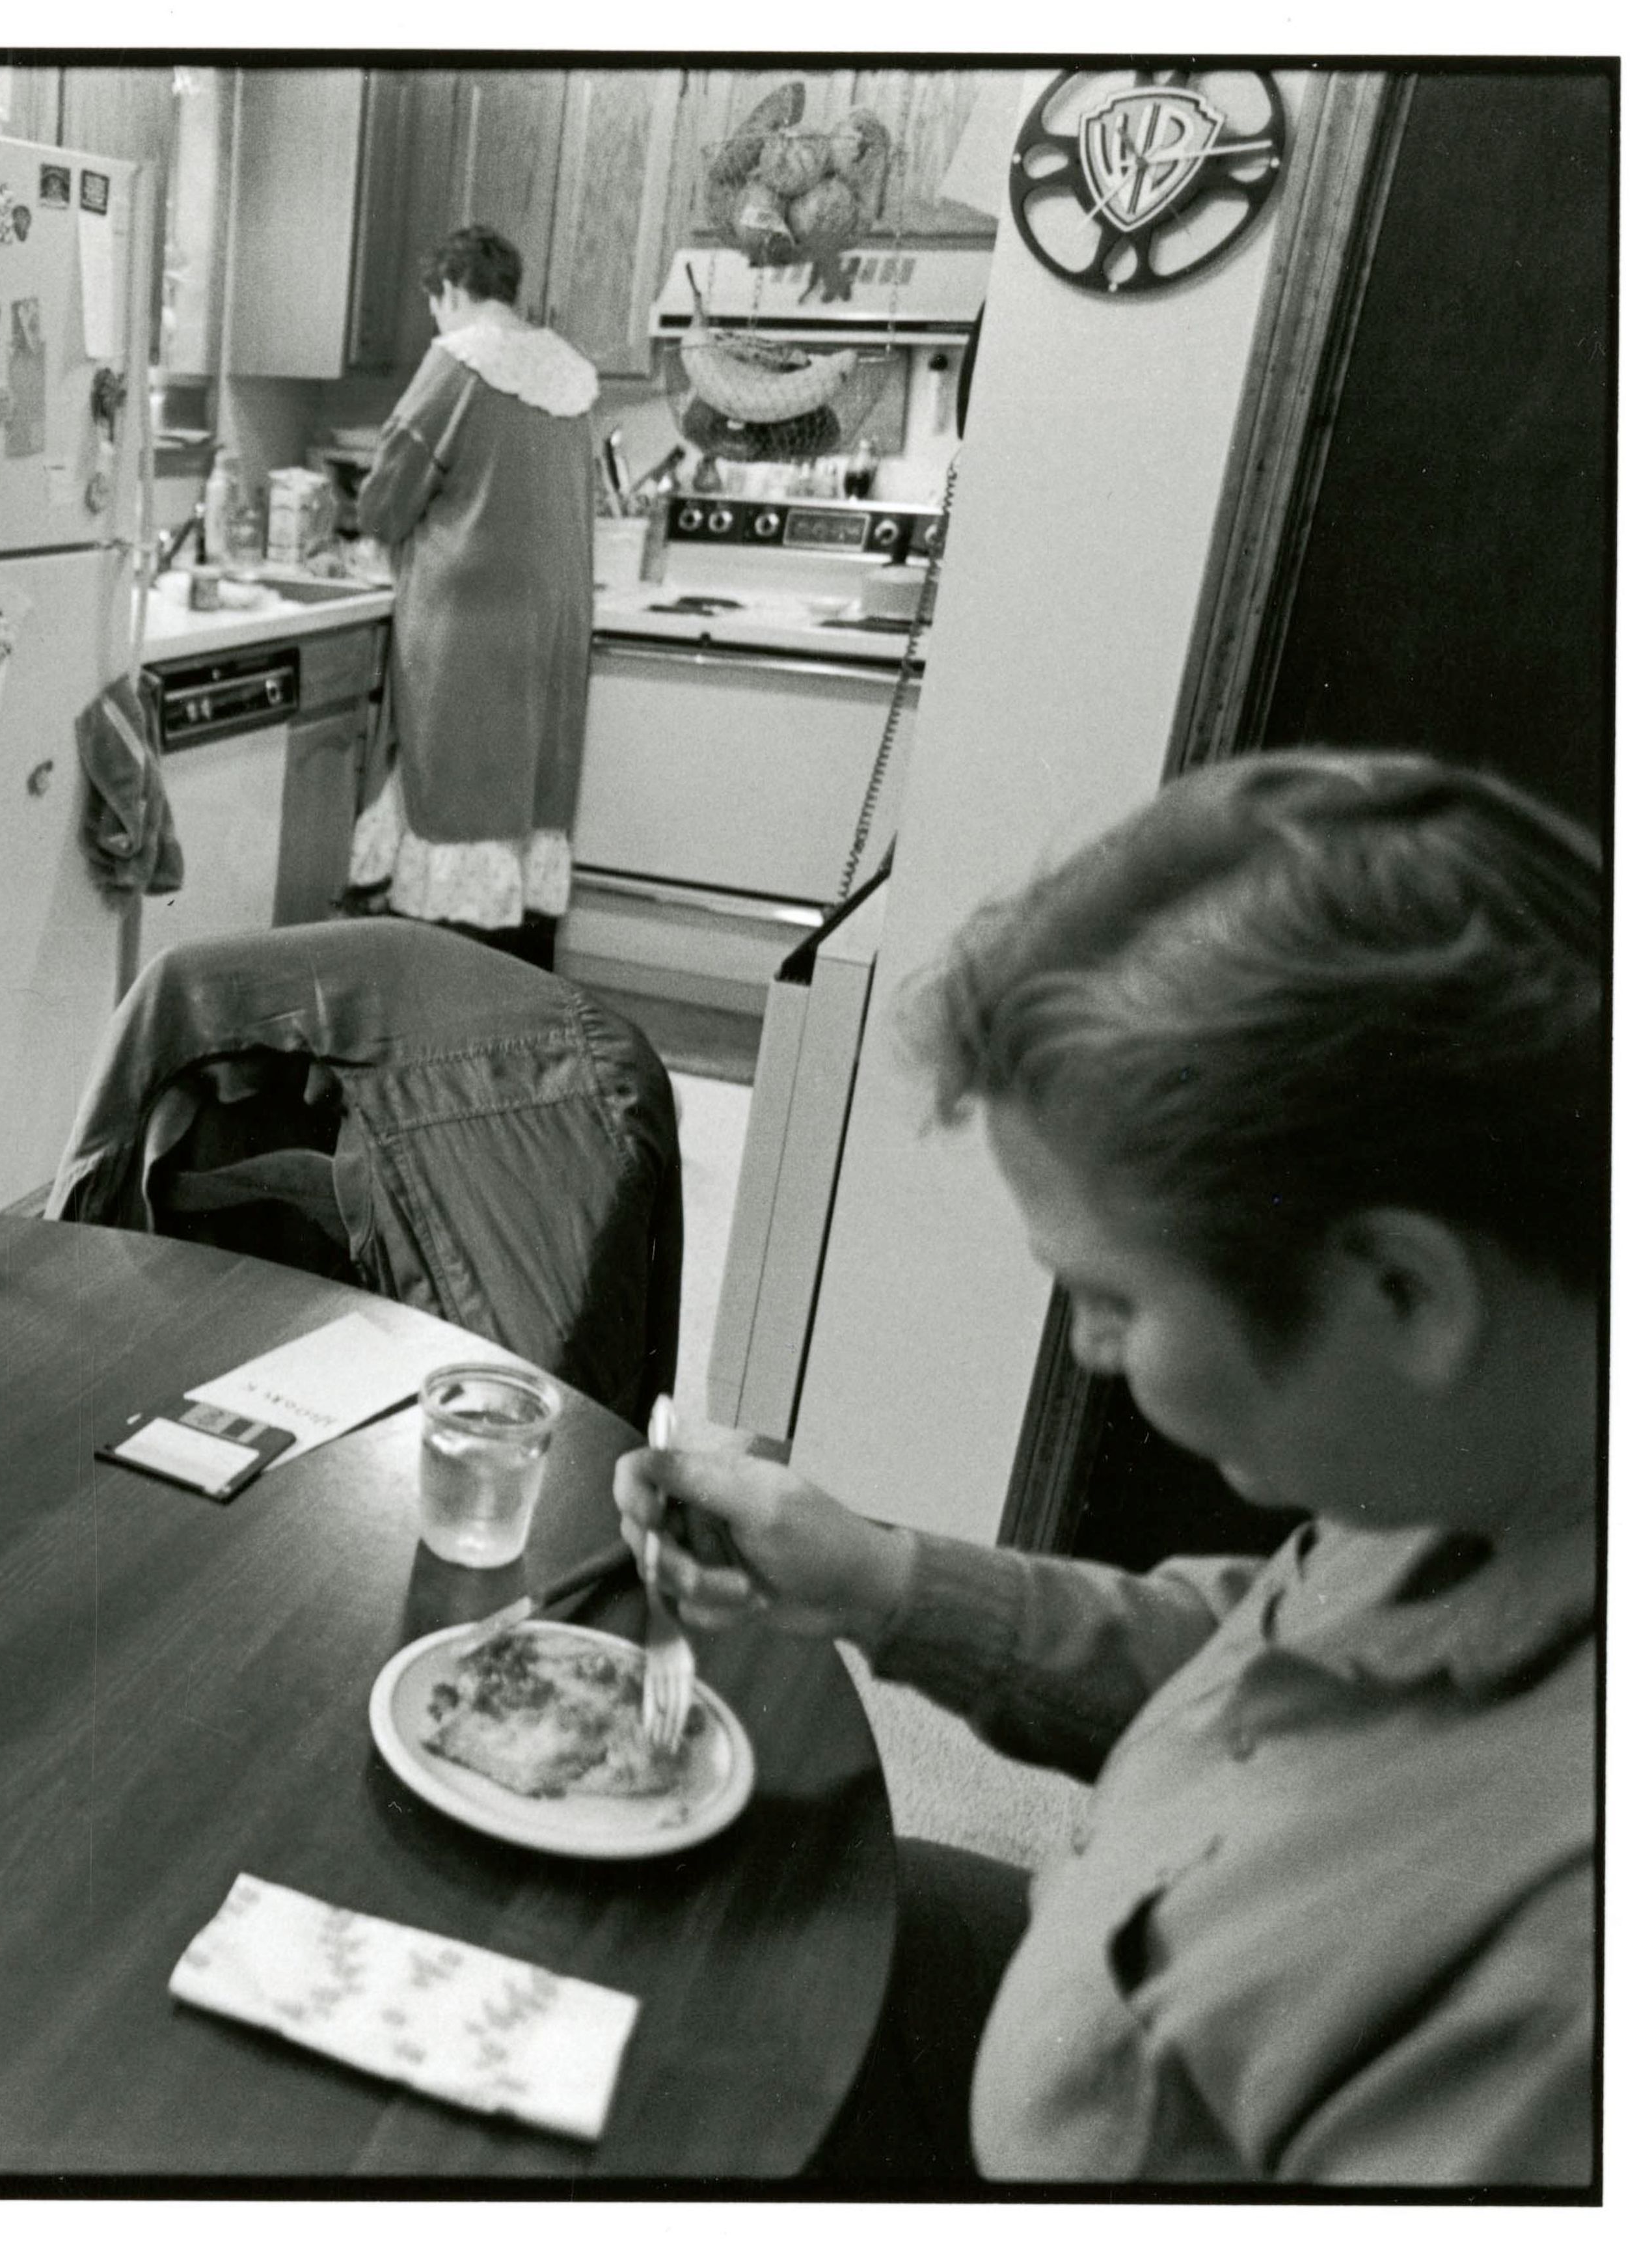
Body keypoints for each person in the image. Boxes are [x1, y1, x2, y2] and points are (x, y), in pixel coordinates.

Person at [617, 751, 1597, 2184]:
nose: (1086, 1348)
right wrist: (884, 1583)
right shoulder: (1486, 1466)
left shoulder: (1555, 2003)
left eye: (1115, 1300)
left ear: (1403, 1291)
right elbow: (1255, 1662)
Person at [345, 225, 597, 962]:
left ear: (451, 291)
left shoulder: (460, 359)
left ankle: (438, 968)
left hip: (469, 620)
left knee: (454, 785)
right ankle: (505, 971)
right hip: (552, 620)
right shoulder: (569, 374)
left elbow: (388, 492)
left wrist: (369, 524)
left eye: (436, 307)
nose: (437, 323)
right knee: (520, 784)